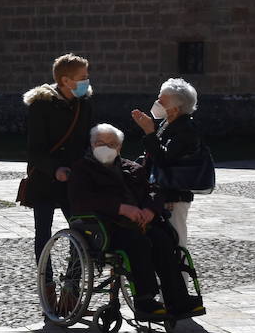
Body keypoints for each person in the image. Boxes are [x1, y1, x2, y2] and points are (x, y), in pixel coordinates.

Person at [68, 123, 203, 320]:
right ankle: (144, 299)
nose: (105, 147)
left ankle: (177, 300)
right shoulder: (81, 169)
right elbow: (83, 200)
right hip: (105, 227)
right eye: (100, 143)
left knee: (162, 239)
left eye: (111, 143)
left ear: (119, 147)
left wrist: (150, 210)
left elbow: (153, 191)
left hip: (139, 223)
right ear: (91, 144)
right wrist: (121, 208)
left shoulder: (133, 168)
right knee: (137, 242)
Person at [23, 53, 94, 304]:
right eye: (82, 77)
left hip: (74, 180)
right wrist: (54, 169)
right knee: (43, 233)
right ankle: (48, 284)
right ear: (65, 80)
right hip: (45, 179)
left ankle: (71, 287)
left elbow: (88, 139)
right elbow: (35, 150)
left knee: (83, 230)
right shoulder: (41, 105)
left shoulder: (82, 103)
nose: (87, 81)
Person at [131, 77, 204, 246]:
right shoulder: (168, 123)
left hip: (175, 196)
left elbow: (164, 160)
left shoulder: (186, 129)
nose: (157, 102)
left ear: (175, 108)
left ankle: (182, 273)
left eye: (162, 99)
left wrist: (149, 133)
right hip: (161, 194)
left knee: (176, 240)